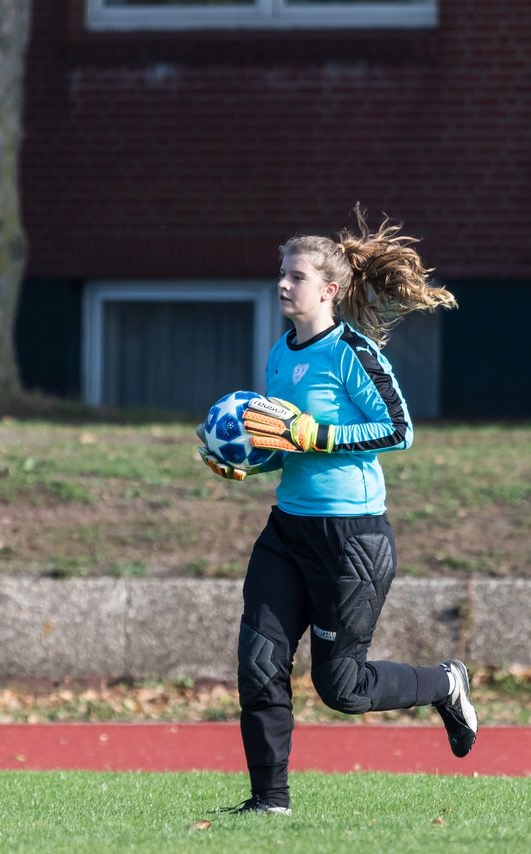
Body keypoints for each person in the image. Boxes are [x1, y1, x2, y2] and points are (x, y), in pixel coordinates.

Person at [195, 205, 474, 816]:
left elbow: (397, 430)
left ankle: (445, 683)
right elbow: (285, 447)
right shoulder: (278, 354)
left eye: (296, 276)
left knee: (342, 689)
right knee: (259, 661)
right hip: (286, 532)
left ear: (330, 289)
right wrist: (246, 464)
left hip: (352, 540)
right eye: (281, 274)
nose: (282, 285)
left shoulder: (354, 351)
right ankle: (270, 803)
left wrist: (316, 435)